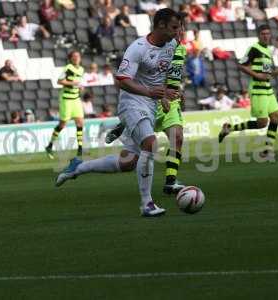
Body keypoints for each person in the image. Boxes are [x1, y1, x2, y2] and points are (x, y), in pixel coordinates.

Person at [56, 8, 181, 217]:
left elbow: (159, 77)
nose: (178, 32)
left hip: (150, 103)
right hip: (131, 102)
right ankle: (146, 204)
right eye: (174, 27)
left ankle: (78, 167)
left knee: (129, 162)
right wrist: (150, 92)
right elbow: (122, 80)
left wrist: (165, 96)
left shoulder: (172, 45)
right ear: (160, 25)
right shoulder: (138, 48)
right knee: (151, 143)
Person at [104, 16, 188, 195]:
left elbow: (172, 76)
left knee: (178, 137)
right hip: (152, 98)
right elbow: (150, 75)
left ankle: (170, 182)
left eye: (181, 29)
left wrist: (175, 92)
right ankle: (125, 125)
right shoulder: (152, 47)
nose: (179, 32)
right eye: (176, 28)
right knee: (131, 161)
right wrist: (161, 95)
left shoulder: (180, 50)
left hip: (168, 98)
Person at [218, 25, 278, 159]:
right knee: (262, 123)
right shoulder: (254, 49)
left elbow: (266, 74)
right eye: (263, 34)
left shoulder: (267, 51)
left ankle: (267, 150)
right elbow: (241, 65)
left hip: (267, 88)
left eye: (268, 33)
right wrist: (256, 75)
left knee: (275, 118)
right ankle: (229, 128)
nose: (266, 36)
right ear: (258, 35)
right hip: (257, 89)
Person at [46, 51, 85, 159]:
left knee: (80, 122)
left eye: (78, 56)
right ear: (71, 58)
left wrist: (80, 87)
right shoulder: (68, 68)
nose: (77, 58)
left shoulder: (81, 69)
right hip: (66, 99)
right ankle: (50, 145)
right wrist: (73, 84)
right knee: (63, 124)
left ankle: (80, 148)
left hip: (76, 99)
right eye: (74, 56)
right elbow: (59, 81)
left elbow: (78, 82)